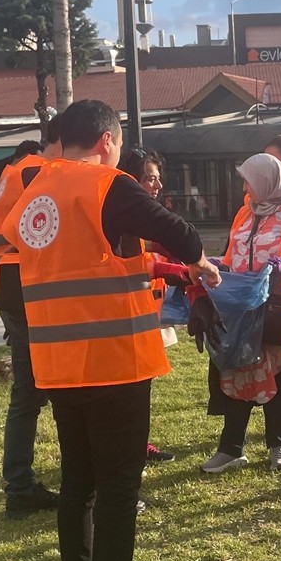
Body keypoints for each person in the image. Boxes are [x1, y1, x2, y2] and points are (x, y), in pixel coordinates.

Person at [4, 99, 220, 561]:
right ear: (107, 141)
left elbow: (86, 261)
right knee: (120, 487)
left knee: (78, 482)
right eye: (120, 146)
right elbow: (181, 233)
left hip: (58, 362)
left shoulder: (34, 194)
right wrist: (195, 262)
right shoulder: (106, 185)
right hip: (113, 359)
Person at [198, 153, 281, 475]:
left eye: (249, 181)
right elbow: (231, 254)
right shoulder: (244, 213)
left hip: (277, 311)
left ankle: (279, 445)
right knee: (236, 371)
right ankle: (230, 449)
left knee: (276, 376)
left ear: (267, 182)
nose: (245, 188)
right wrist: (219, 266)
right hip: (239, 309)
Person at [0, 134, 54, 519]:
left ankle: (19, 487)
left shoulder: (11, 174)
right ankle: (24, 486)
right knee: (49, 388)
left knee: (27, 394)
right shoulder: (35, 170)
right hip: (29, 287)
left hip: (11, 288)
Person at [120, 148, 179, 464]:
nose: (157, 186)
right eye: (150, 179)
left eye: (158, 179)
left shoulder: (146, 218)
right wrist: (167, 268)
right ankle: (132, 448)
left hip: (144, 315)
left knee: (141, 386)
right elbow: (132, 266)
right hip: (124, 319)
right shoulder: (124, 219)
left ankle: (138, 444)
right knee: (130, 388)